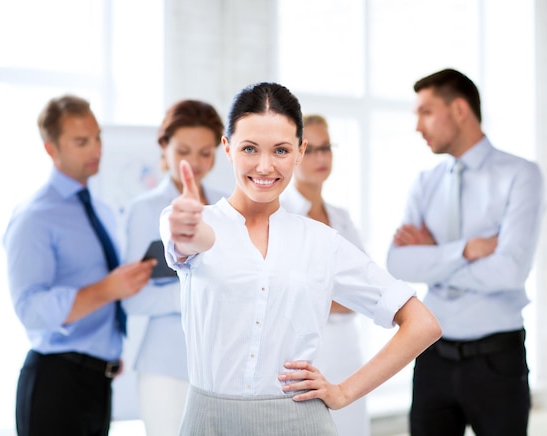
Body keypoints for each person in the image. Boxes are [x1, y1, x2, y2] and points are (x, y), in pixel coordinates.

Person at [160, 82, 442, 435]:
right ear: (228, 148)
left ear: (299, 151)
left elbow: (423, 325)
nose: (264, 166)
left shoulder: (322, 242)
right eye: (250, 148)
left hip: (300, 422)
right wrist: (187, 227)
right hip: (209, 422)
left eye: (280, 150)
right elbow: (196, 240)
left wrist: (343, 392)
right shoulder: (191, 221)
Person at [386, 68, 545, 436]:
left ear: (459, 109)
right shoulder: (426, 182)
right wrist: (466, 251)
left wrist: (435, 257)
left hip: (496, 362)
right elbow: (398, 262)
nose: (417, 126)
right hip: (432, 357)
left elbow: (510, 271)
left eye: (425, 112)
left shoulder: (521, 175)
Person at [4, 94, 155, 436]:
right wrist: (106, 290)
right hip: (55, 381)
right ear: (51, 149)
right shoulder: (34, 217)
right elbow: (29, 308)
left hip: (98, 381)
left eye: (98, 137)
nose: (96, 149)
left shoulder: (102, 210)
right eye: (81, 141)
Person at [122, 99, 227, 436]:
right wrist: (200, 291)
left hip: (224, 366)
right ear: (164, 146)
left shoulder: (227, 208)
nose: (194, 163)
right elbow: (133, 299)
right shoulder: (145, 210)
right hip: (166, 368)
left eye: (205, 152)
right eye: (184, 150)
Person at [280, 114, 369, 436]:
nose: (320, 157)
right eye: (310, 148)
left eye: (326, 148)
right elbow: (281, 293)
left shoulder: (341, 218)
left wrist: (324, 294)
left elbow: (366, 291)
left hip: (348, 351)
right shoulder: (281, 215)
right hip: (303, 353)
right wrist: (336, 294)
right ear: (293, 153)